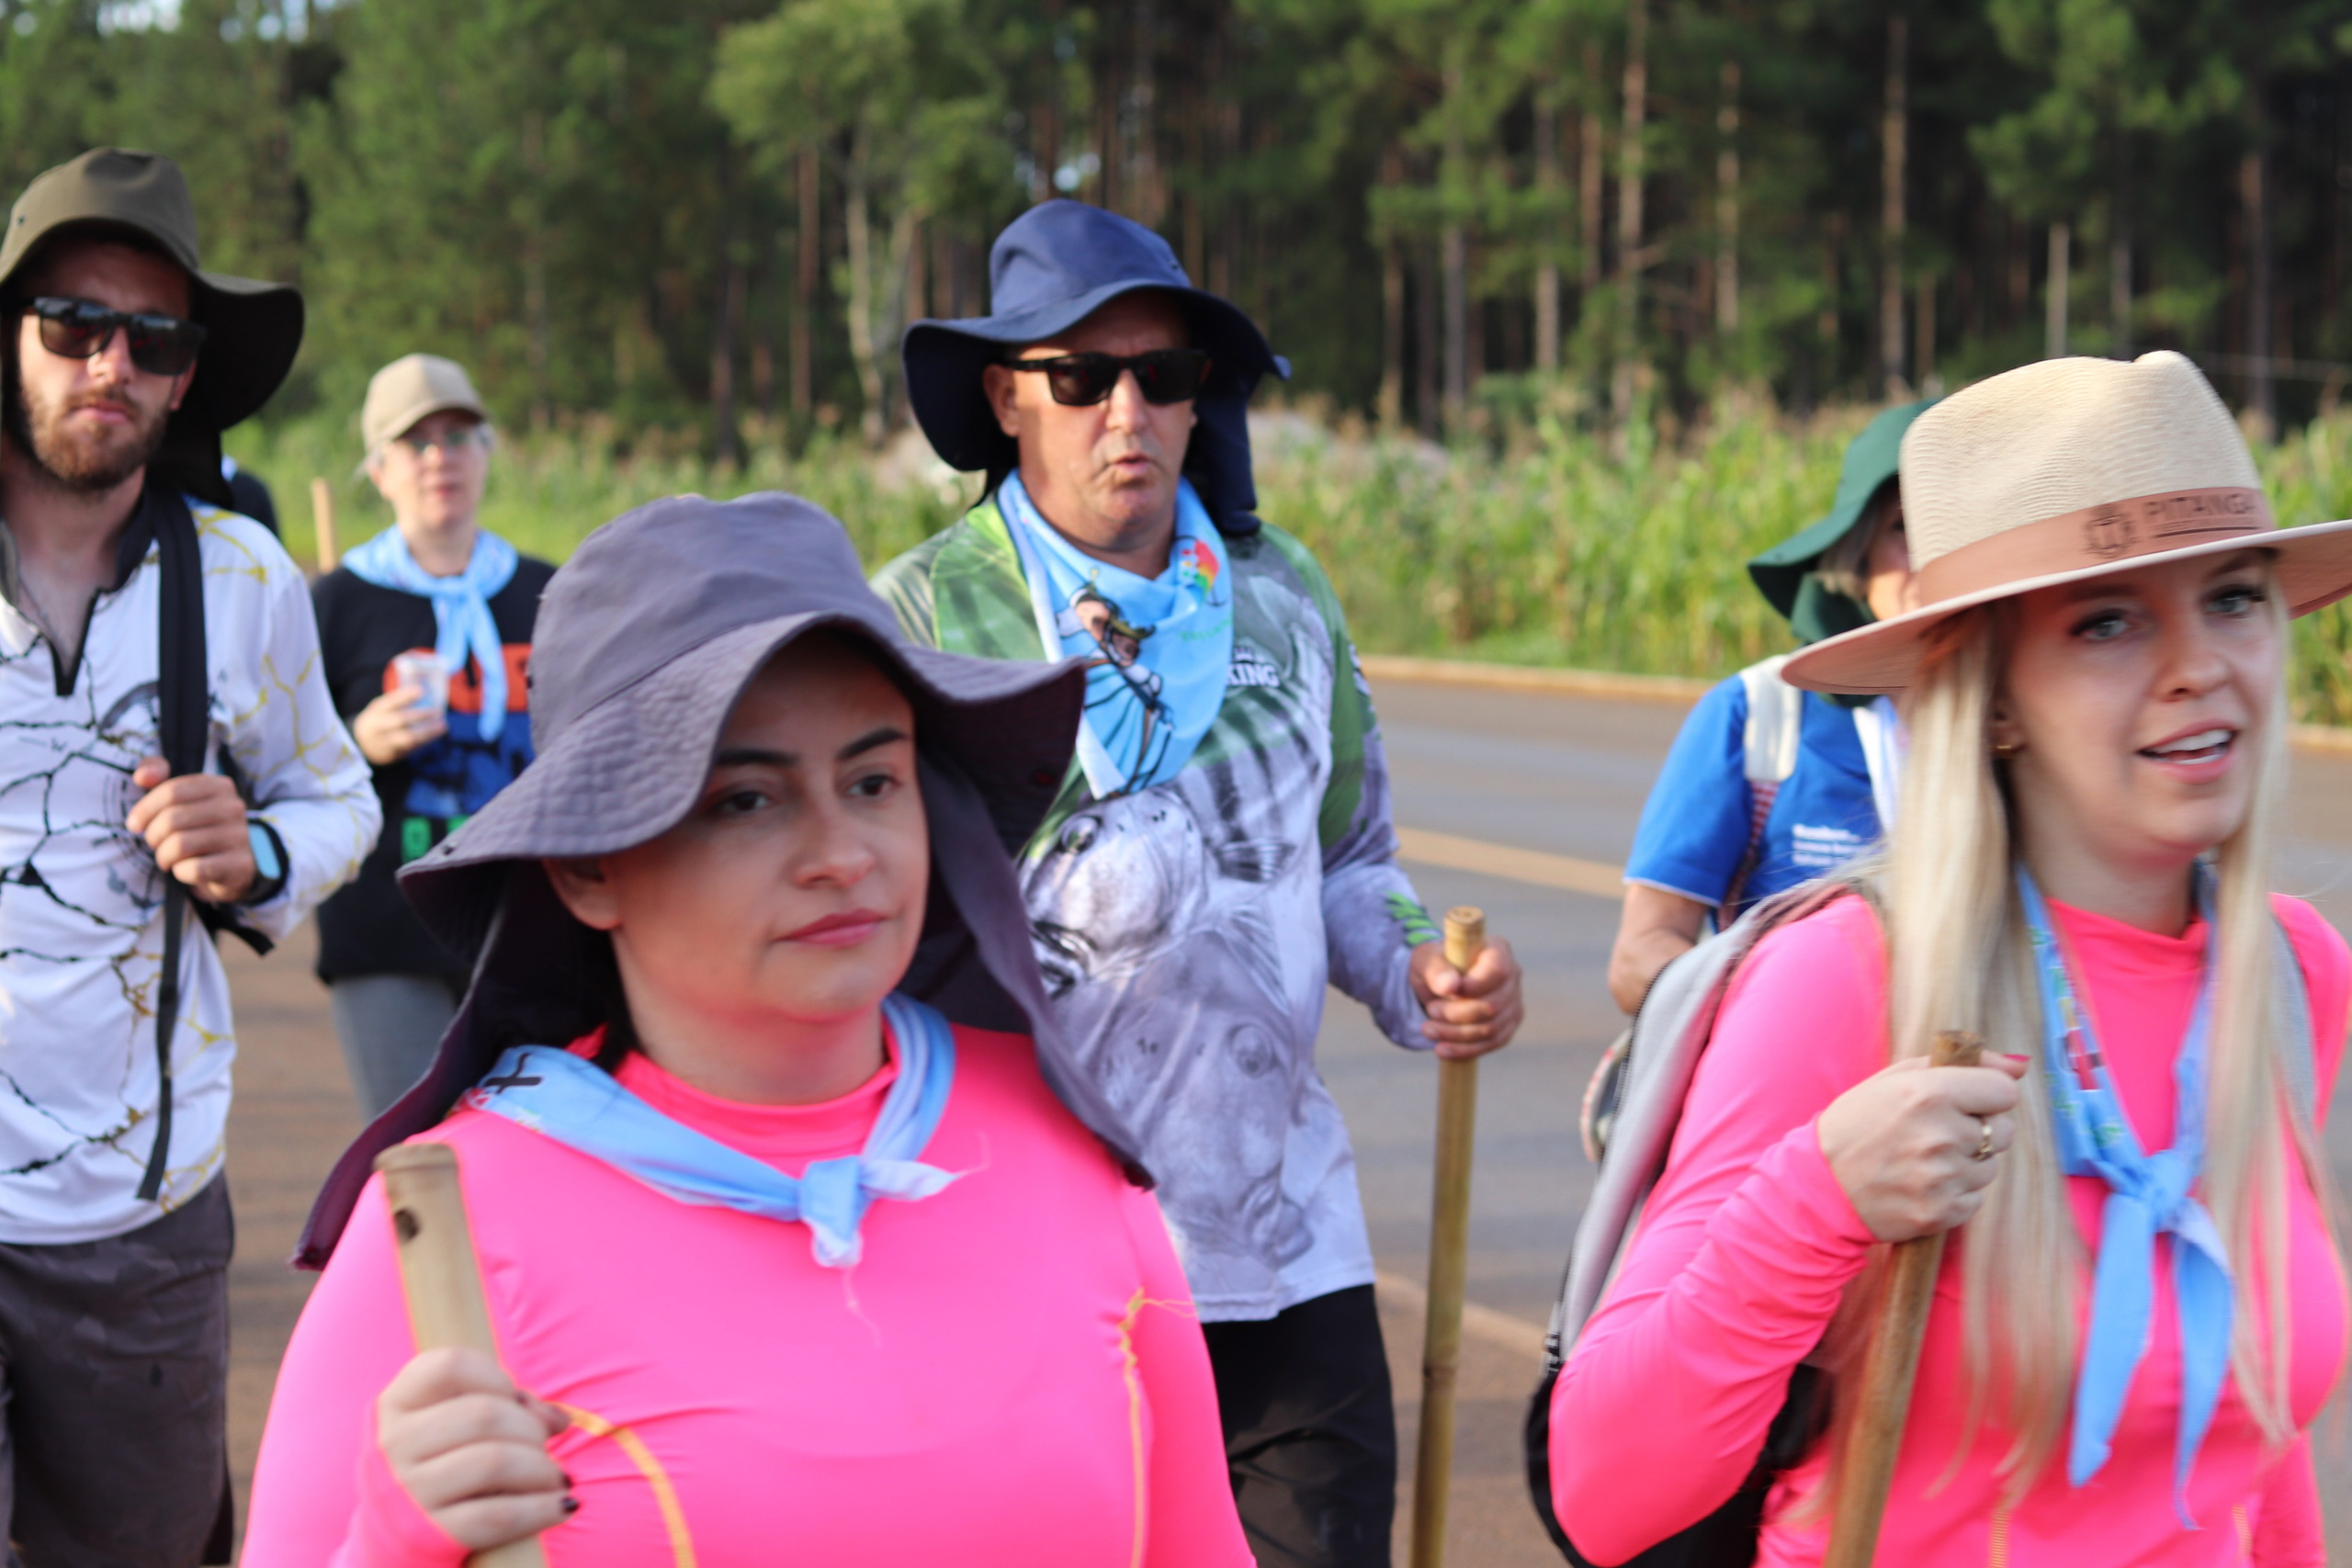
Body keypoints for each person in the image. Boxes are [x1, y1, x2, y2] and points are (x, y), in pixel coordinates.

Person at [243, 493, 1251, 1566]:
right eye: (745, 801)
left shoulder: (1063, 1144)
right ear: (586, 868)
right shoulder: (445, 1225)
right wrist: (389, 1545)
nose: (842, 854)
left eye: (873, 781)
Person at [1548, 351, 2352, 1566]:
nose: (2200, 664)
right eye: (2108, 620)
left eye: (2233, 596)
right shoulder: (1850, 974)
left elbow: (2252, 1446)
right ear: (1993, 695)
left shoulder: (2290, 973)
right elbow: (1604, 1491)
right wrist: (1817, 1199)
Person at [877, 198, 1525, 1568]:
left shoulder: (1283, 597)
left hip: (1289, 1251)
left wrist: (1420, 968)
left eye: (1162, 374)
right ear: (1005, 397)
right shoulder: (922, 619)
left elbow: (1351, 857)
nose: (1127, 412)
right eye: (1080, 377)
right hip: (1040, 1253)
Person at [0, 148, 378, 1562]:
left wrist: (256, 842)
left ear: (185, 377)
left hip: (141, 1223)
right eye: (73, 323)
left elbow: (342, 800)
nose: (112, 361)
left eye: (153, 338)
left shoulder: (240, 576)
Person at [1608, 400, 1930, 1013]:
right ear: (1857, 549)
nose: (1936, 554)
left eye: (1957, 526)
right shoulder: (1757, 714)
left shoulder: (2027, 722)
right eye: (1906, 527)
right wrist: (1765, 1016)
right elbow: (1638, 955)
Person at [311, 355, 554, 1117]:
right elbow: (273, 765)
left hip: (533, 931)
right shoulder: (336, 603)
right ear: (379, 470)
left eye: (458, 436)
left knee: (538, 1153)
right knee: (416, 1157)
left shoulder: (550, 593)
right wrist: (356, 741)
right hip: (387, 933)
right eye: (415, 443)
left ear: (487, 452)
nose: (439, 458)